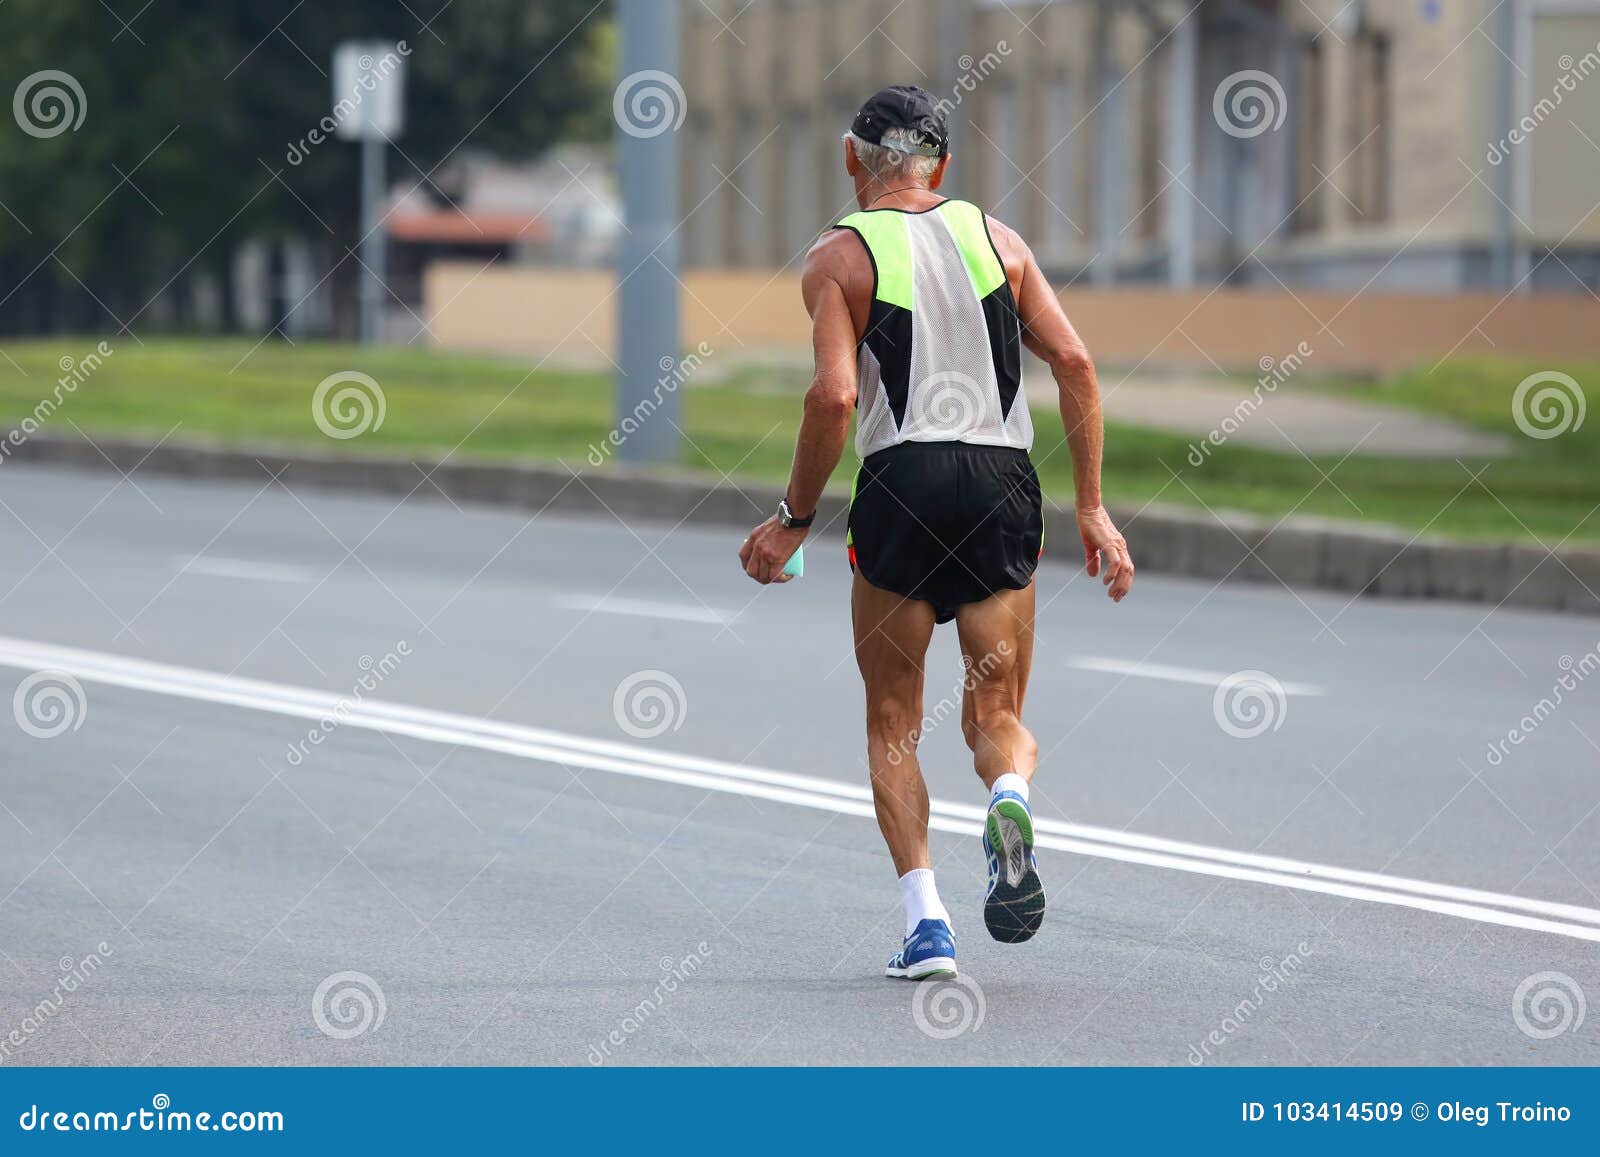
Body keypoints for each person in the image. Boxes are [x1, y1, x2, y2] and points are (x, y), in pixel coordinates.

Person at [739, 84, 1133, 980]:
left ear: (853, 159)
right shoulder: (1001, 241)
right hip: (1001, 484)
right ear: (942, 168)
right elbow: (1074, 361)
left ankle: (928, 926)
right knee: (996, 713)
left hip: (903, 484)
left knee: (892, 719)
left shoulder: (838, 257)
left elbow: (835, 396)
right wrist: (1095, 507)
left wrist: (793, 519)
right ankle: (1008, 793)